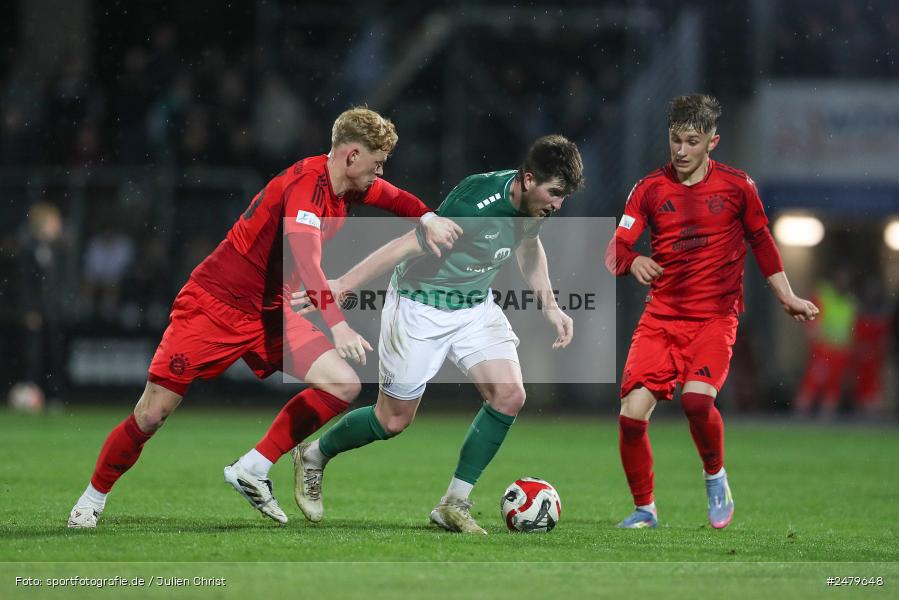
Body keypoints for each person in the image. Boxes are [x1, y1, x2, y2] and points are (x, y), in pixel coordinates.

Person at [67, 107, 463, 528]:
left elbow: (396, 198)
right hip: (214, 304)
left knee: (342, 384)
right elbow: (308, 264)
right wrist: (339, 324)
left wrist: (428, 217)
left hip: (269, 310)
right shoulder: (307, 188)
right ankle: (91, 500)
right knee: (151, 414)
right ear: (351, 156)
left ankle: (252, 468)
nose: (380, 172)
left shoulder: (347, 187)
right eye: (377, 162)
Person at [290, 135, 584, 534]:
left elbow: (528, 246)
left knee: (510, 394)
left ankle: (453, 503)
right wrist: (344, 284)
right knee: (392, 421)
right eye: (554, 193)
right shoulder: (473, 206)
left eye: (564, 196)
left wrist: (549, 305)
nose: (558, 204)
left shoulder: (533, 206)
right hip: (418, 308)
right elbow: (405, 245)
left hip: (474, 307)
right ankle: (314, 454)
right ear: (528, 179)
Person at [604, 94, 818, 530]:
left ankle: (715, 475)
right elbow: (615, 249)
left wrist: (787, 296)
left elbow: (762, 242)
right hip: (660, 319)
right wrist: (632, 261)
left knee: (697, 402)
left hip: (715, 318)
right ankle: (646, 510)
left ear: (712, 142)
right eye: (675, 140)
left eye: (691, 141)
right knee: (630, 415)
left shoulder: (738, 187)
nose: (681, 151)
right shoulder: (648, 190)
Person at [793, 267, 857, 420]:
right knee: (813, 382)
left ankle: (826, 419)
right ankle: (799, 416)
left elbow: (852, 328)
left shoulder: (850, 302)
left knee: (833, 386)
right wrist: (813, 337)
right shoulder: (824, 294)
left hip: (841, 351)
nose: (843, 282)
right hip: (823, 348)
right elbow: (812, 320)